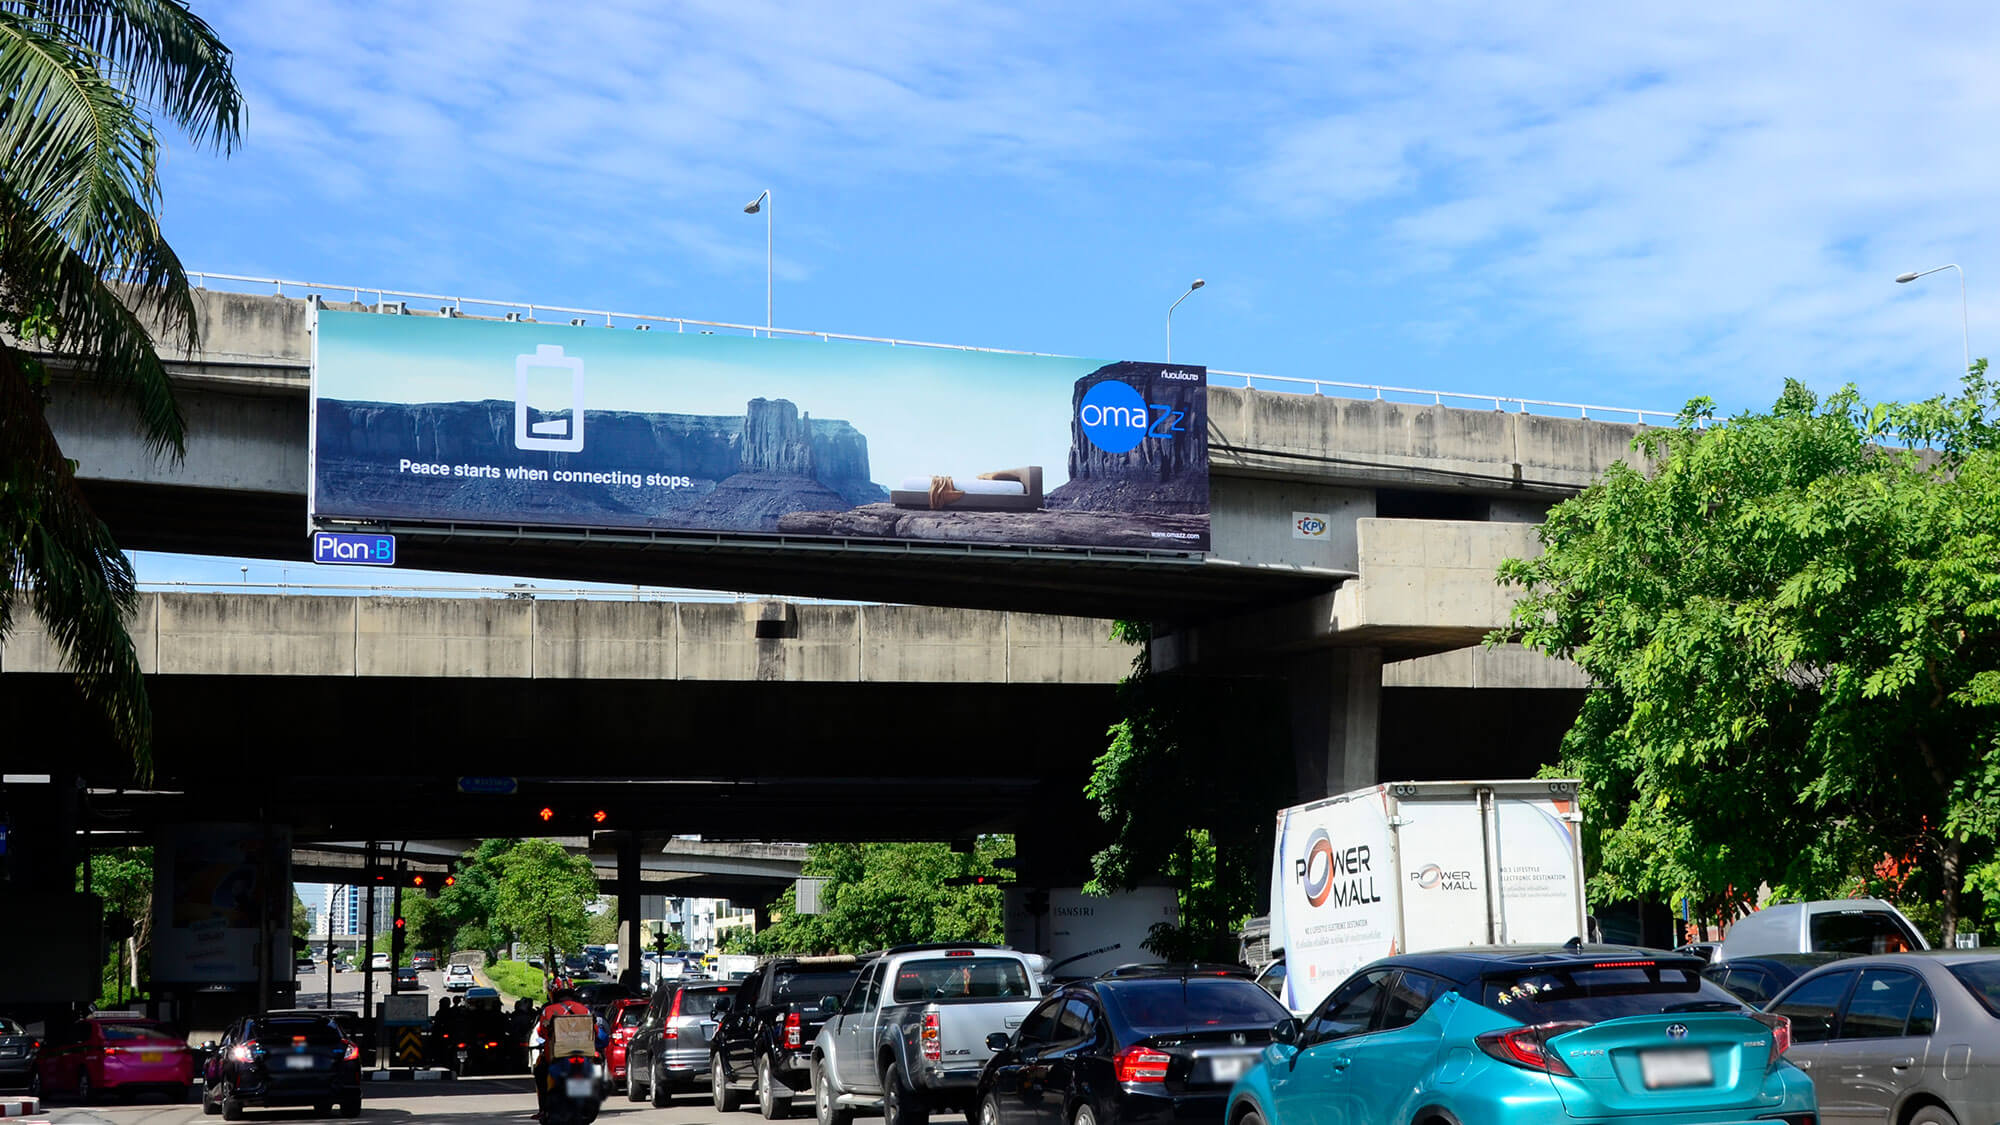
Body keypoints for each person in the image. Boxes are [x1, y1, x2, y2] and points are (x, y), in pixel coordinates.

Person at [530, 987, 602, 1118]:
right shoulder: (584, 1010)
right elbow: (595, 1032)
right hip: (583, 1054)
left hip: (556, 1055)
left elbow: (541, 1032)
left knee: (540, 1072)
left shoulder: (549, 1010)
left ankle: (543, 1110)